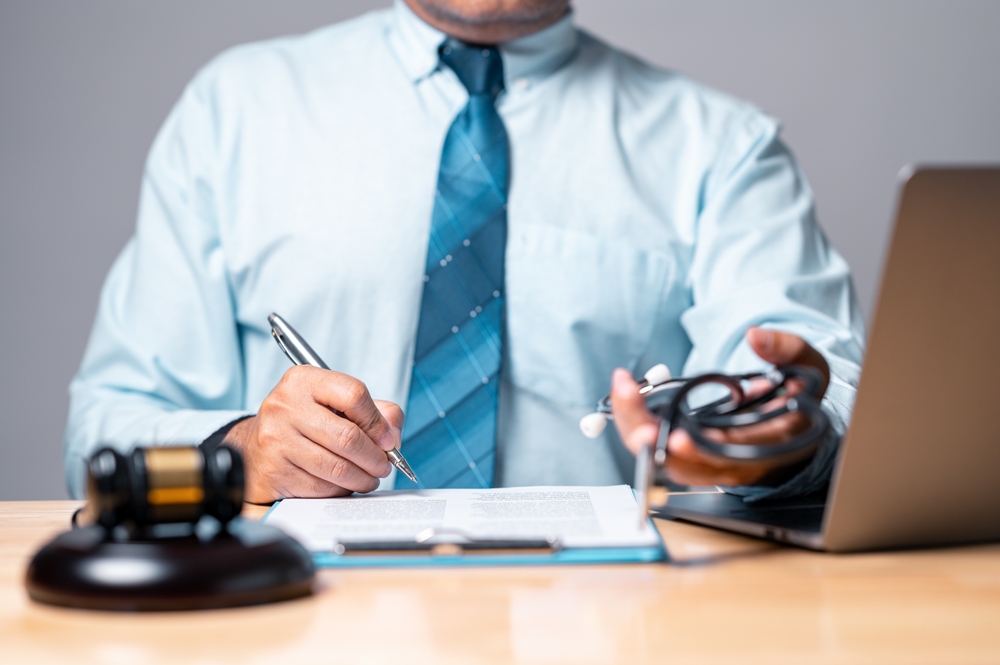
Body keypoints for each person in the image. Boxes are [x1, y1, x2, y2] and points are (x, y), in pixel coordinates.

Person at [64, 0, 865, 503]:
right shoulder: (232, 110)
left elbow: (832, 392)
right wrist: (241, 452)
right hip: (297, 625)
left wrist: (789, 440)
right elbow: (101, 435)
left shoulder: (724, 147)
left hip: (610, 628)